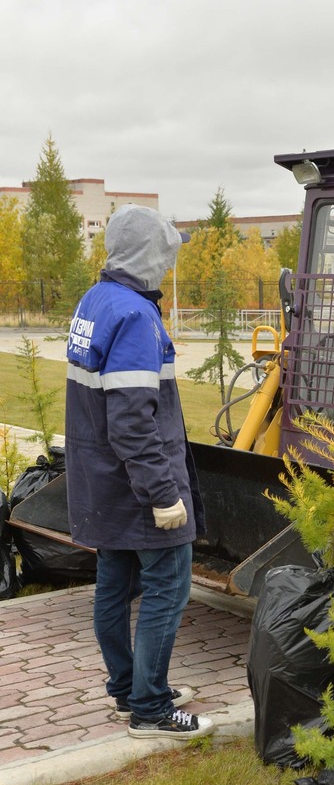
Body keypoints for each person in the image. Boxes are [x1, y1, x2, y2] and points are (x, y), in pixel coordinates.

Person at [65, 204, 214, 738]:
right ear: (150, 254)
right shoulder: (134, 316)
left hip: (102, 483)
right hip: (137, 486)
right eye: (165, 253)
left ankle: (128, 690)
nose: (168, 264)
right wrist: (162, 493)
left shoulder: (97, 300)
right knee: (166, 589)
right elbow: (131, 421)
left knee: (113, 585)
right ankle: (149, 709)